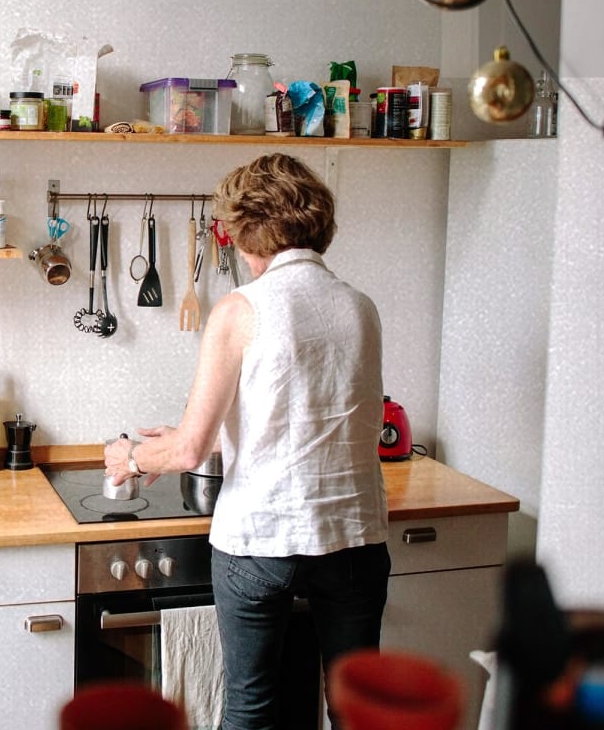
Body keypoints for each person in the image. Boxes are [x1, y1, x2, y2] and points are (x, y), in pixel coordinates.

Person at [103, 152, 390, 730]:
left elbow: (188, 452)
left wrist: (130, 457)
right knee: (357, 713)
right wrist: (195, 435)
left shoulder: (242, 308)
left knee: (251, 708)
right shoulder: (360, 306)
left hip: (263, 539)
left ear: (247, 232)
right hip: (354, 539)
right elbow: (300, 416)